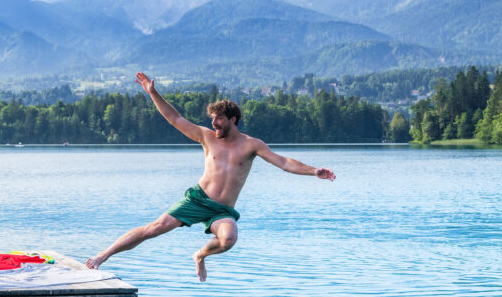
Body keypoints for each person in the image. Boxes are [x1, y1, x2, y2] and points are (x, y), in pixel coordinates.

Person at [86, 72, 336, 281]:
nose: (214, 123)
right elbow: (175, 118)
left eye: (218, 119)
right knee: (154, 228)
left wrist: (313, 170)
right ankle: (102, 255)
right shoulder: (206, 136)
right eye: (212, 119)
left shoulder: (252, 145)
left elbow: (283, 162)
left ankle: (200, 255)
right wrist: (153, 93)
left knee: (229, 239)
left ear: (233, 119)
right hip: (197, 200)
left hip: (221, 210)